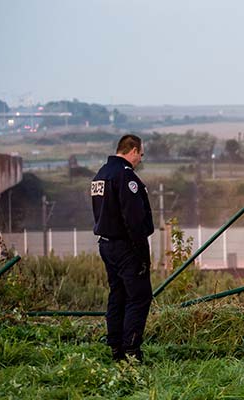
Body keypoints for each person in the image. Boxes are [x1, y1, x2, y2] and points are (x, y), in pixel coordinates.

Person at [91, 134, 154, 362]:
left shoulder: (100, 175)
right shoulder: (126, 177)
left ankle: (116, 348)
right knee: (139, 297)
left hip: (107, 245)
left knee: (117, 295)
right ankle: (132, 350)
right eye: (141, 155)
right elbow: (134, 220)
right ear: (133, 150)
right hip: (127, 247)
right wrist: (142, 255)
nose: (140, 160)